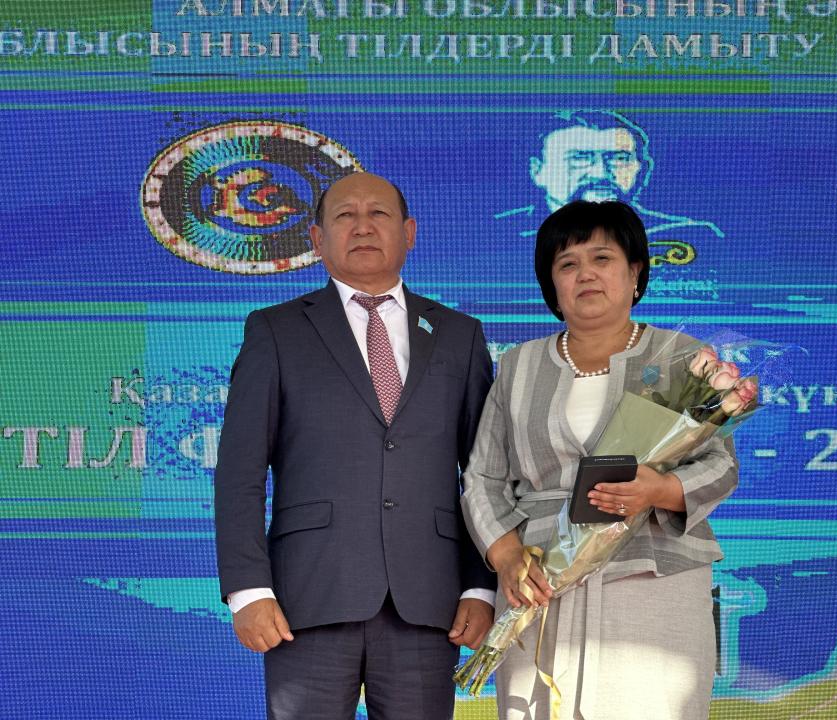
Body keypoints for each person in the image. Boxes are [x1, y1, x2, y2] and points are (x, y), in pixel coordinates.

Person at [214, 172, 497, 720]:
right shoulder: (275, 331)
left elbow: (484, 473)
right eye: (345, 215)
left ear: (409, 233)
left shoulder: (460, 335)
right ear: (317, 239)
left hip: (429, 600)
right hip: (306, 599)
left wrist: (480, 587)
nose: (363, 227)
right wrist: (248, 590)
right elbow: (240, 472)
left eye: (378, 214)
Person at [462, 200, 738, 719]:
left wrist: (657, 489)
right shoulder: (518, 365)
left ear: (635, 273)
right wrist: (506, 557)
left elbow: (720, 464)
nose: (585, 274)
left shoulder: (682, 357)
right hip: (538, 580)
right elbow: (482, 477)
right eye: (567, 264)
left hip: (653, 575)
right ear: (552, 285)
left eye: (602, 258)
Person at [495, 110, 723, 267]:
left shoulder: (689, 235)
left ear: (641, 168)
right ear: (538, 171)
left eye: (618, 158)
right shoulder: (499, 234)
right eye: (580, 158)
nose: (600, 173)